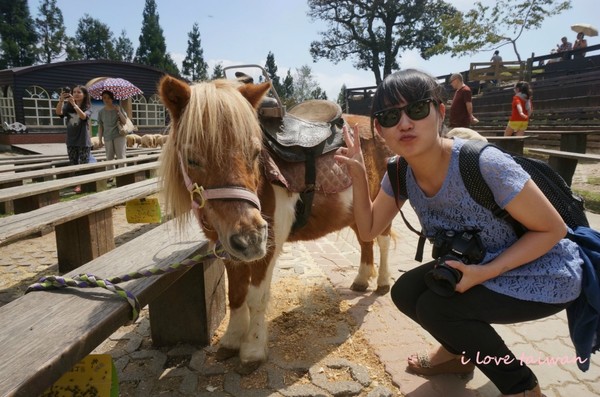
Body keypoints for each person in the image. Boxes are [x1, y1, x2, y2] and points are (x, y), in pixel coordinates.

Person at [334, 69, 583, 397]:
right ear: (379, 130)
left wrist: (485, 272)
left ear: (439, 112)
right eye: (391, 116)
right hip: (481, 266)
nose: (405, 123)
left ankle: (522, 386)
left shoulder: (482, 163)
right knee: (407, 291)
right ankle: (458, 355)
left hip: (544, 268)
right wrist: (357, 173)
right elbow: (368, 231)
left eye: (417, 109)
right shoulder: (399, 170)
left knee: (439, 308)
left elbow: (553, 230)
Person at [55, 85, 93, 193]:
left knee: (83, 163)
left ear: (84, 95)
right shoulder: (67, 106)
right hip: (71, 140)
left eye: (79, 92)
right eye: (74, 92)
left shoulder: (88, 107)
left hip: (83, 140)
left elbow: (83, 117)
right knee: (73, 163)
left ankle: (81, 184)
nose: (76, 94)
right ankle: (76, 183)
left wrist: (74, 104)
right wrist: (61, 101)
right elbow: (59, 113)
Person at [97, 90, 127, 168]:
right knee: (109, 158)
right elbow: (100, 127)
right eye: (104, 98)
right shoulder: (101, 112)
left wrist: (119, 111)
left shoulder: (118, 108)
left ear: (112, 99)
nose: (106, 100)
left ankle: (123, 176)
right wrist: (100, 140)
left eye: (109, 98)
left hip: (119, 135)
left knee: (121, 157)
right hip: (107, 137)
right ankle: (110, 177)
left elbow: (124, 122)